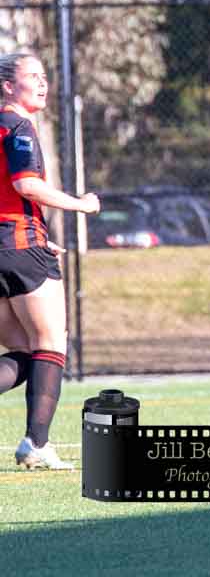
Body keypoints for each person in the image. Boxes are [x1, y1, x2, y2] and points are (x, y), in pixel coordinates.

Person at [0, 52, 99, 470]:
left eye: (45, 76)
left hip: (11, 245)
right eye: (32, 77)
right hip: (20, 246)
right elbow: (26, 184)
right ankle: (36, 444)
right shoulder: (17, 126)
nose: (43, 83)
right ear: (8, 86)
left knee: (25, 351)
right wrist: (81, 204)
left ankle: (35, 443)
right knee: (51, 344)